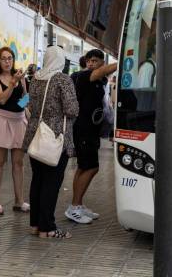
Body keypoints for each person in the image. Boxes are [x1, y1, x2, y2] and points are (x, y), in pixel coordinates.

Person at [22, 46, 79, 238]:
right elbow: (72, 109)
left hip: (35, 135)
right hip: (54, 138)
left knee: (37, 179)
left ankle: (36, 224)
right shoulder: (63, 79)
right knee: (51, 182)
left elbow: (28, 104)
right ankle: (48, 228)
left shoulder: (36, 78)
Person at [66, 49, 117, 224]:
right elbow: (101, 72)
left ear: (102, 61)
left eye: (95, 61)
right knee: (92, 167)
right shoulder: (84, 76)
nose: (91, 64)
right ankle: (74, 207)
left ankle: (77, 205)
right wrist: (123, 63)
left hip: (90, 130)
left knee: (82, 167)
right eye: (89, 60)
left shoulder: (99, 81)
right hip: (83, 130)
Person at [0, 47, 29, 215]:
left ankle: (19, 200)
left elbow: (25, 98)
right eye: (4, 59)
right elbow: (1, 99)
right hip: (2, 119)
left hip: (19, 120)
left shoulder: (20, 76)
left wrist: (27, 115)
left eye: (10, 58)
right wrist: (12, 83)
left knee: (19, 163)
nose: (7, 61)